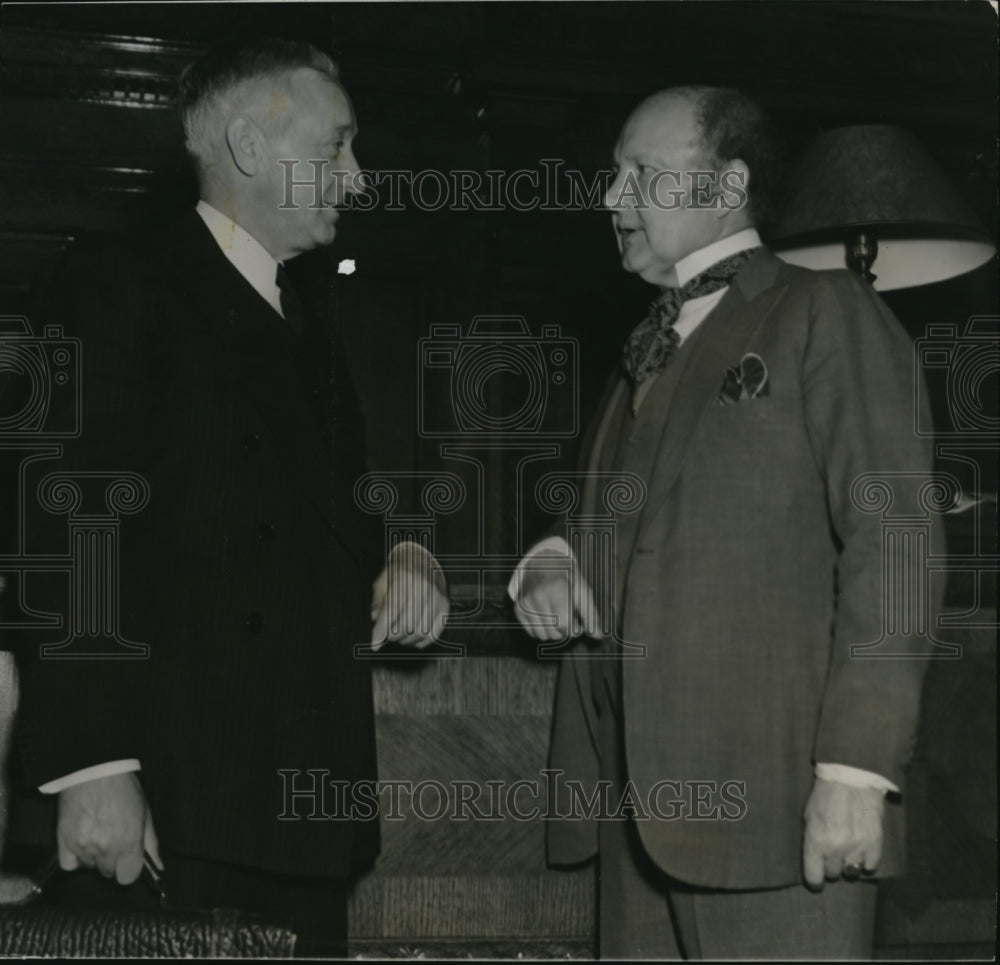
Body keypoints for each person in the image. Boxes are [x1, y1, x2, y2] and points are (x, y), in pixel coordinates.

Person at [13, 38, 447, 956]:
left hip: (298, 810)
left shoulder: (309, 321)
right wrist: (94, 764)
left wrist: (403, 548)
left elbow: (333, 510)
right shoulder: (120, 284)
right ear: (250, 147)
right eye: (336, 148)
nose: (358, 179)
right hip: (172, 804)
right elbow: (62, 523)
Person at [511, 87, 934, 958]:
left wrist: (855, 773)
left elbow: (895, 545)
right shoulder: (647, 343)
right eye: (612, 174)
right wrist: (554, 555)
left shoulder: (826, 311)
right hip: (638, 824)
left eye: (643, 174)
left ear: (727, 183)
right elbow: (624, 512)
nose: (610, 198)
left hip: (781, 820)